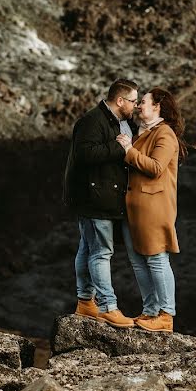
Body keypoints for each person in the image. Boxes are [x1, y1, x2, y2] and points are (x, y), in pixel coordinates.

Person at [63, 79, 140, 328]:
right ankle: (108, 306)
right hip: (95, 199)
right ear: (120, 101)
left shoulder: (124, 122)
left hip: (103, 197)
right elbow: (84, 155)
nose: (136, 106)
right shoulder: (92, 121)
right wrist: (118, 148)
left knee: (88, 248)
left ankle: (85, 302)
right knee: (101, 252)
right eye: (133, 101)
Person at [116, 87, 188, 333]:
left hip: (154, 208)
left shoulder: (164, 134)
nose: (138, 106)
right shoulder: (142, 132)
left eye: (143, 102)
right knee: (138, 262)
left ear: (157, 106)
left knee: (157, 259)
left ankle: (166, 314)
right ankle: (150, 310)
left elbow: (156, 167)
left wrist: (128, 151)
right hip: (133, 207)